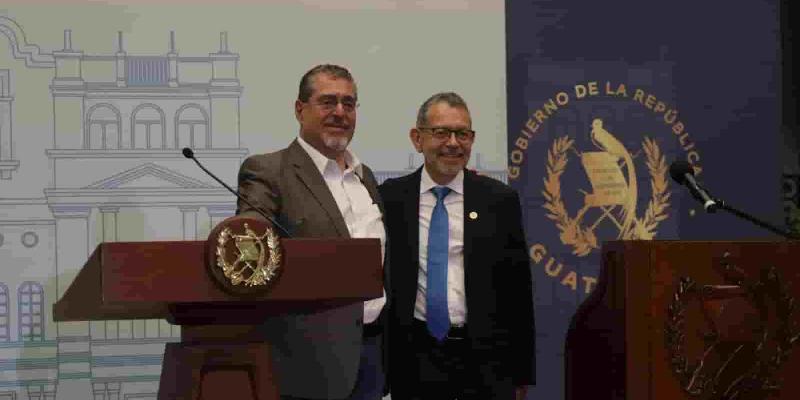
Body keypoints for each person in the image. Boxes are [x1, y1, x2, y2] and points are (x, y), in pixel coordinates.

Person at [236, 64, 387, 400]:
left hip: (373, 356)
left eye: (349, 104)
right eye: (328, 102)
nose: (339, 112)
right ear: (299, 109)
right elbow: (250, 237)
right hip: (307, 361)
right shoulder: (269, 171)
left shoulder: (366, 177)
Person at [379, 92, 535, 400]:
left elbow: (517, 291)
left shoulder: (498, 201)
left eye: (462, 133)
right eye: (441, 132)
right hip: (415, 358)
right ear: (417, 138)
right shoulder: (391, 199)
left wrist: (521, 373)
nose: (453, 143)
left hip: (485, 361)